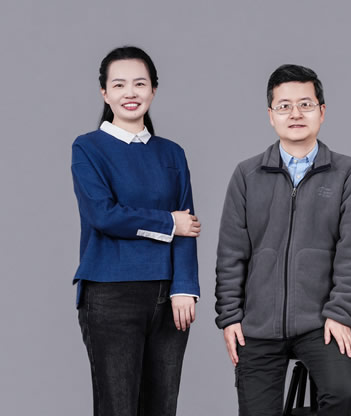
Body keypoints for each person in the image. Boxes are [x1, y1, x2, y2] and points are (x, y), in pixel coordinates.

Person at [214, 64, 351, 416]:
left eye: (305, 104)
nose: (296, 114)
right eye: (284, 106)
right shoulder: (247, 174)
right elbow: (230, 253)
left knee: (343, 395)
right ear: (271, 115)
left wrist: (341, 313)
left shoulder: (348, 172)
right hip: (257, 324)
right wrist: (230, 317)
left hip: (322, 322)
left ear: (322, 111)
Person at [71, 46, 201, 416]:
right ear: (105, 93)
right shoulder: (88, 147)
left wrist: (185, 287)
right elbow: (103, 215)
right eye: (119, 84)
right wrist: (167, 222)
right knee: (118, 407)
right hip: (110, 293)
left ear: (153, 90)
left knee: (162, 407)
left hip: (169, 296)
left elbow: (188, 224)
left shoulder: (172, 153)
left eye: (140, 84)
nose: (130, 92)